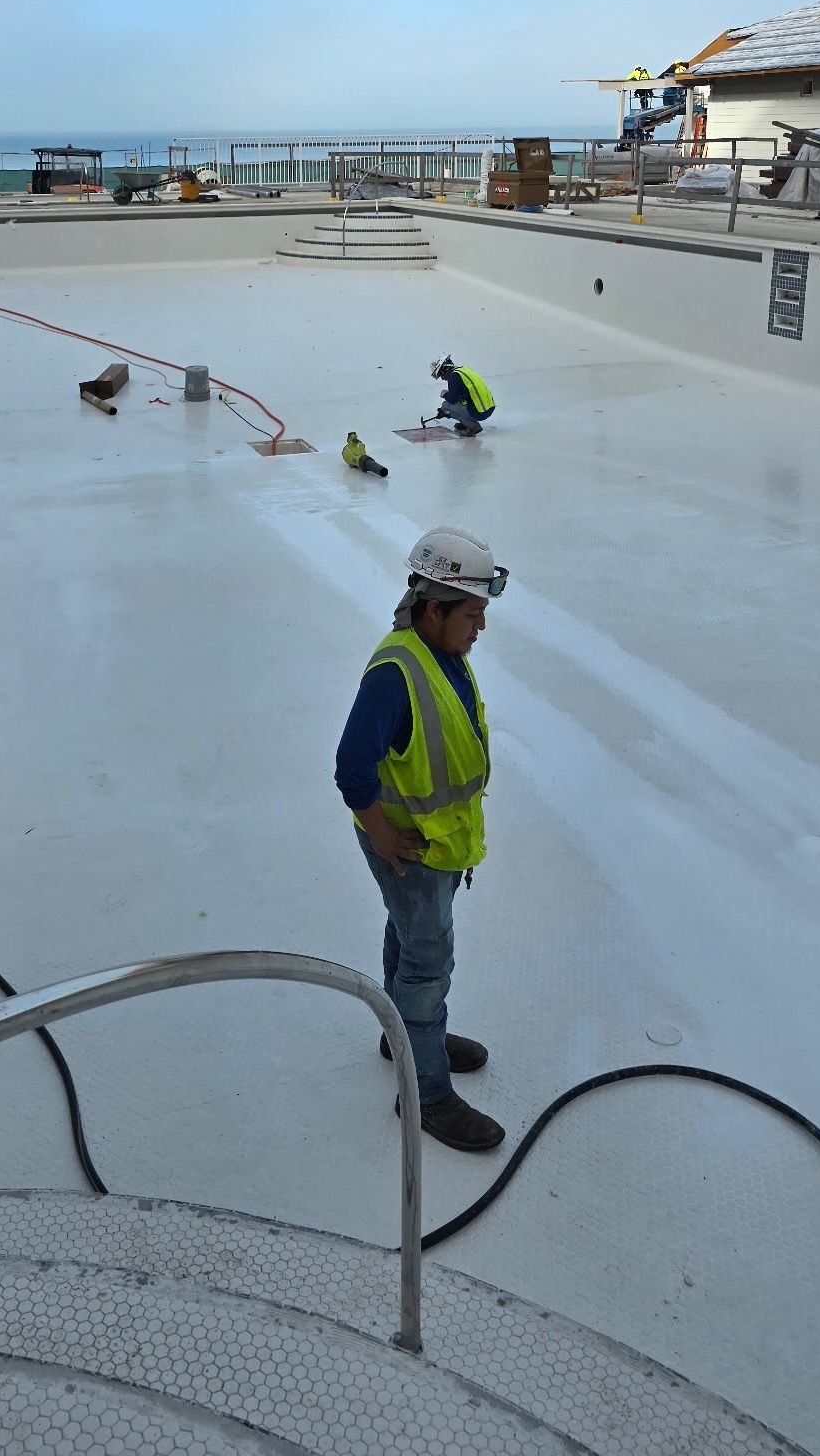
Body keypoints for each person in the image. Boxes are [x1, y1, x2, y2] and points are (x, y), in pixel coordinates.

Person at [335, 526, 508, 1152]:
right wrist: (383, 837)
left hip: (435, 844)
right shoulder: (397, 674)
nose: (480, 626)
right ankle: (426, 1093)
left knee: (406, 939)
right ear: (434, 608)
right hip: (415, 848)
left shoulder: (442, 656)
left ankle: (400, 1037)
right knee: (427, 963)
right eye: (472, 613)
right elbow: (351, 767)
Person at [429, 355, 495, 437]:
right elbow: (464, 395)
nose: (442, 378)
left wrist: (444, 395)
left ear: (444, 369)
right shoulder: (464, 370)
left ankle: (472, 427)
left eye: (440, 374)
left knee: (445, 405)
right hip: (489, 408)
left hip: (479, 412)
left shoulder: (453, 377)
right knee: (460, 402)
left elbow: (452, 399)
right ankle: (465, 424)